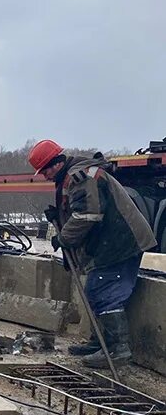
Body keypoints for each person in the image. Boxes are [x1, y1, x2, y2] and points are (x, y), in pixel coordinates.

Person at [28, 139, 156, 367]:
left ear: (57, 163)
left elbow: (87, 216)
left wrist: (63, 237)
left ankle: (117, 350)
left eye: (46, 169)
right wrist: (60, 215)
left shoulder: (82, 177)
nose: (45, 175)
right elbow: (82, 212)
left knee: (103, 291)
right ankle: (101, 343)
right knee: (96, 289)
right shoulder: (75, 176)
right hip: (111, 242)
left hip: (121, 242)